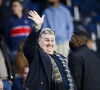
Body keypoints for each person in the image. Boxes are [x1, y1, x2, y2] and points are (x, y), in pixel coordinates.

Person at [23, 11, 76, 90]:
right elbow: (28, 48)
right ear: (39, 41)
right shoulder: (36, 55)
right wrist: (37, 27)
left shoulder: (61, 58)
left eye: (52, 40)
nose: (50, 43)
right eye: (47, 40)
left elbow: (71, 80)